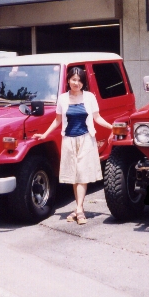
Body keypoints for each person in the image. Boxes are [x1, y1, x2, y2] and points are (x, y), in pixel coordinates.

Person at [33, 67, 113, 225]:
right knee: (74, 176)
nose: (76, 83)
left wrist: (113, 128)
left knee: (82, 174)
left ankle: (80, 209)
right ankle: (78, 208)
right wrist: (44, 134)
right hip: (69, 140)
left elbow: (97, 117)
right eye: (74, 79)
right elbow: (57, 120)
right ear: (68, 80)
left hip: (86, 140)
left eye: (80, 80)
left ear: (83, 83)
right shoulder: (62, 98)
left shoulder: (89, 97)